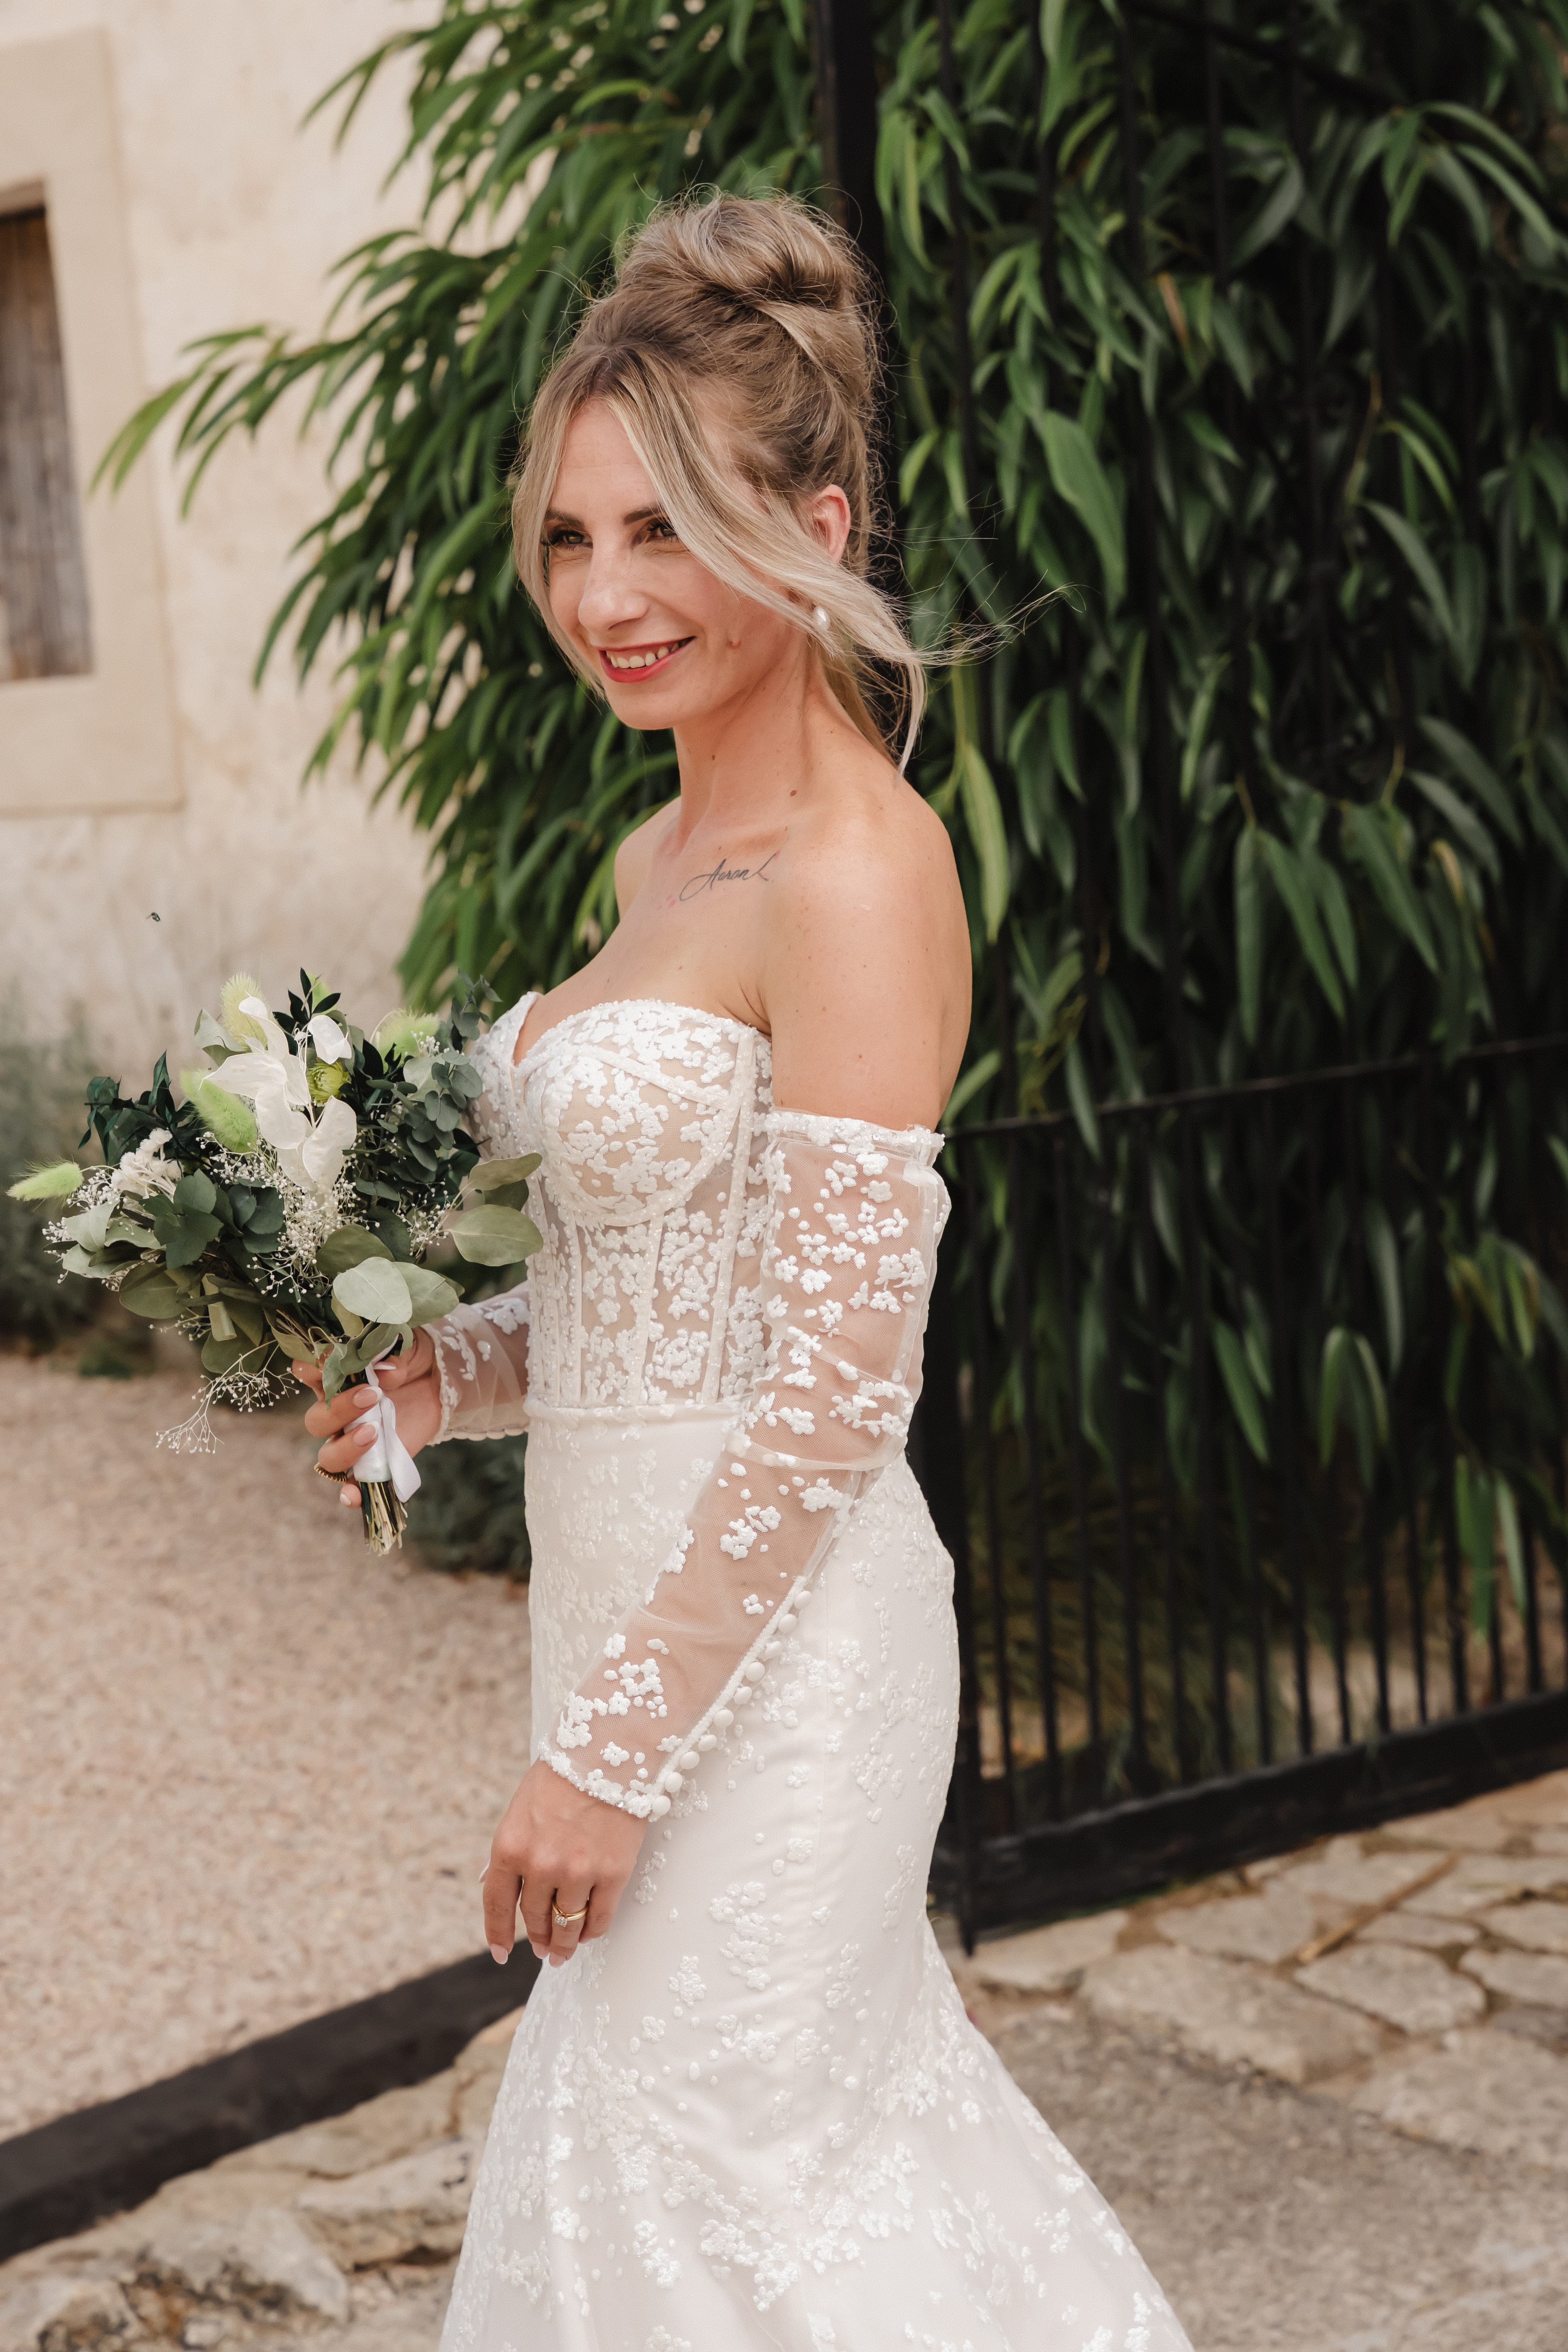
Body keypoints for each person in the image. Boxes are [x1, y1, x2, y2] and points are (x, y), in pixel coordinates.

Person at [296, 192, 1190, 2352]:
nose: (607, 596)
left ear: (818, 517)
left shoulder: (865, 873)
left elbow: (829, 1388)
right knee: (664, 2179)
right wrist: (446, 1377)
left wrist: (605, 1758)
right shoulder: (655, 849)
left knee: (741, 2185)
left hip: (779, 1674)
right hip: (629, 1614)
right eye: (575, 536)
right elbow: (643, 1283)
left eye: (667, 533)